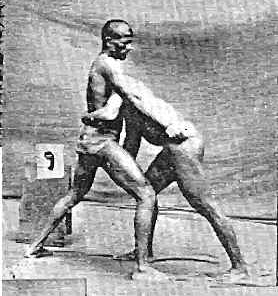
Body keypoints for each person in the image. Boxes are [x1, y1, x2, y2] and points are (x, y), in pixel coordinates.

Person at [80, 21, 249, 281]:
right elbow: (132, 143)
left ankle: (240, 268)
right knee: (147, 193)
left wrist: (171, 124)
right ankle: (143, 253)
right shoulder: (123, 101)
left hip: (182, 146)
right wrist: (125, 170)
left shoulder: (130, 93)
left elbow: (150, 106)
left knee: (205, 205)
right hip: (171, 149)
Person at [24, 19, 183, 281]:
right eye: (125, 40)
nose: (129, 47)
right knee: (146, 194)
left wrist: (94, 115)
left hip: (91, 140)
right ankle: (142, 267)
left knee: (76, 193)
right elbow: (128, 101)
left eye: (131, 40)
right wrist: (169, 124)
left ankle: (34, 247)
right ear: (109, 41)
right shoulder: (107, 65)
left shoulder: (109, 66)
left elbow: (110, 109)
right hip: (101, 142)